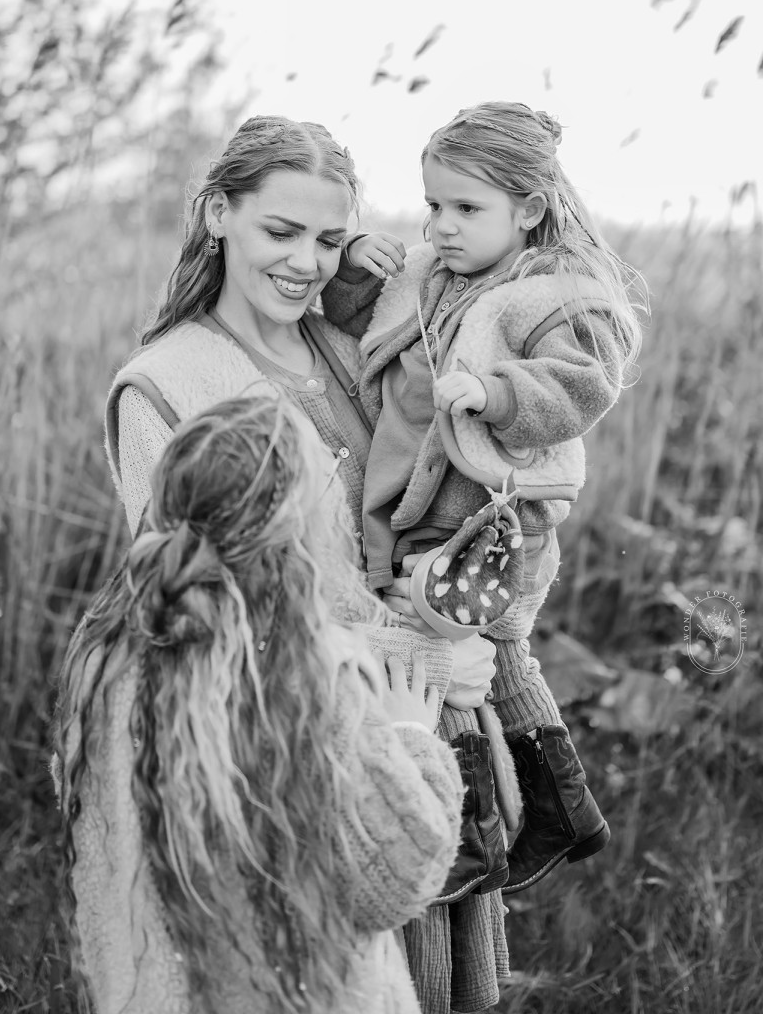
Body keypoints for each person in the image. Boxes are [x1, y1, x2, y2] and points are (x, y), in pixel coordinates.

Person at [103, 114, 506, 1013]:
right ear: (216, 213)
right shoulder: (166, 386)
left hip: (421, 726)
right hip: (301, 744)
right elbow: (205, 612)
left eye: (328, 239)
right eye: (279, 231)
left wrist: (372, 258)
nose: (305, 263)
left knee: (437, 985)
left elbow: (472, 288)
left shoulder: (351, 345)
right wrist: (424, 658)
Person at [321, 101, 647, 906]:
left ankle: (470, 840)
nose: (442, 226)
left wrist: (497, 391)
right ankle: (555, 811)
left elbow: (583, 385)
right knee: (481, 662)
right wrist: (365, 269)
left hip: (495, 524)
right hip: (427, 514)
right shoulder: (435, 277)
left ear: (529, 209)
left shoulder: (554, 294)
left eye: (467, 209)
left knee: (464, 666)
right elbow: (363, 325)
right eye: (434, 206)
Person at [55, 396, 466, 1013]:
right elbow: (395, 879)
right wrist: (410, 736)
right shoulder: (313, 678)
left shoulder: (104, 659)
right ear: (300, 537)